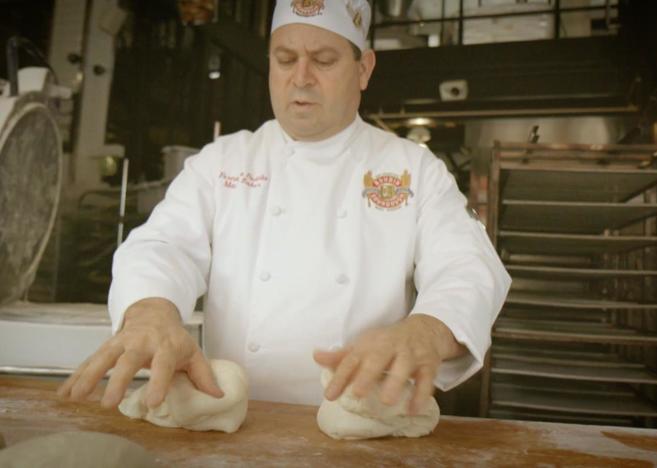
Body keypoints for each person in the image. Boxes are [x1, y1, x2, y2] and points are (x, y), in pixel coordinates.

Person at [58, 0, 511, 415]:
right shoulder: (224, 162)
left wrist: (429, 329)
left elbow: (467, 266)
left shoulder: (413, 169)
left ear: (364, 69)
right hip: (231, 421)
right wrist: (150, 310)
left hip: (367, 424)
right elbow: (163, 245)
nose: (301, 77)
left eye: (325, 60)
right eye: (285, 59)